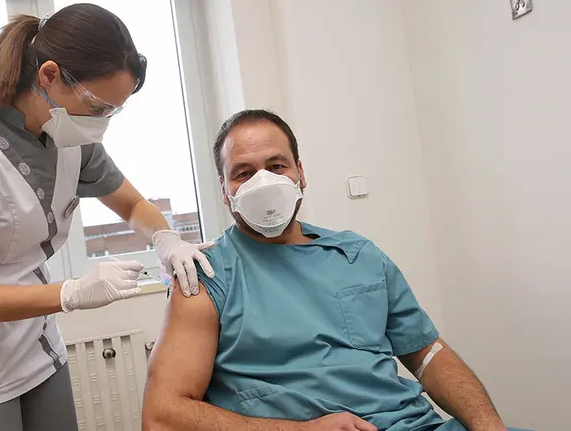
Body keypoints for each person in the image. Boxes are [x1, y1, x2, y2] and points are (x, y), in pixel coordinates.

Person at [0, 4, 214, 431]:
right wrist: (72, 293)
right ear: (48, 75)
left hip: (34, 348)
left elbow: (134, 206)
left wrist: (166, 239)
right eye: (99, 105)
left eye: (112, 111)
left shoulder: (67, 134)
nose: (102, 122)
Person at [143, 110, 530, 431]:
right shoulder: (207, 275)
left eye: (277, 165)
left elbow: (428, 353)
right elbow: (162, 415)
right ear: (225, 191)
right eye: (243, 172)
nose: (264, 181)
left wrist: (487, 423)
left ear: (301, 173)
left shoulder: (358, 255)